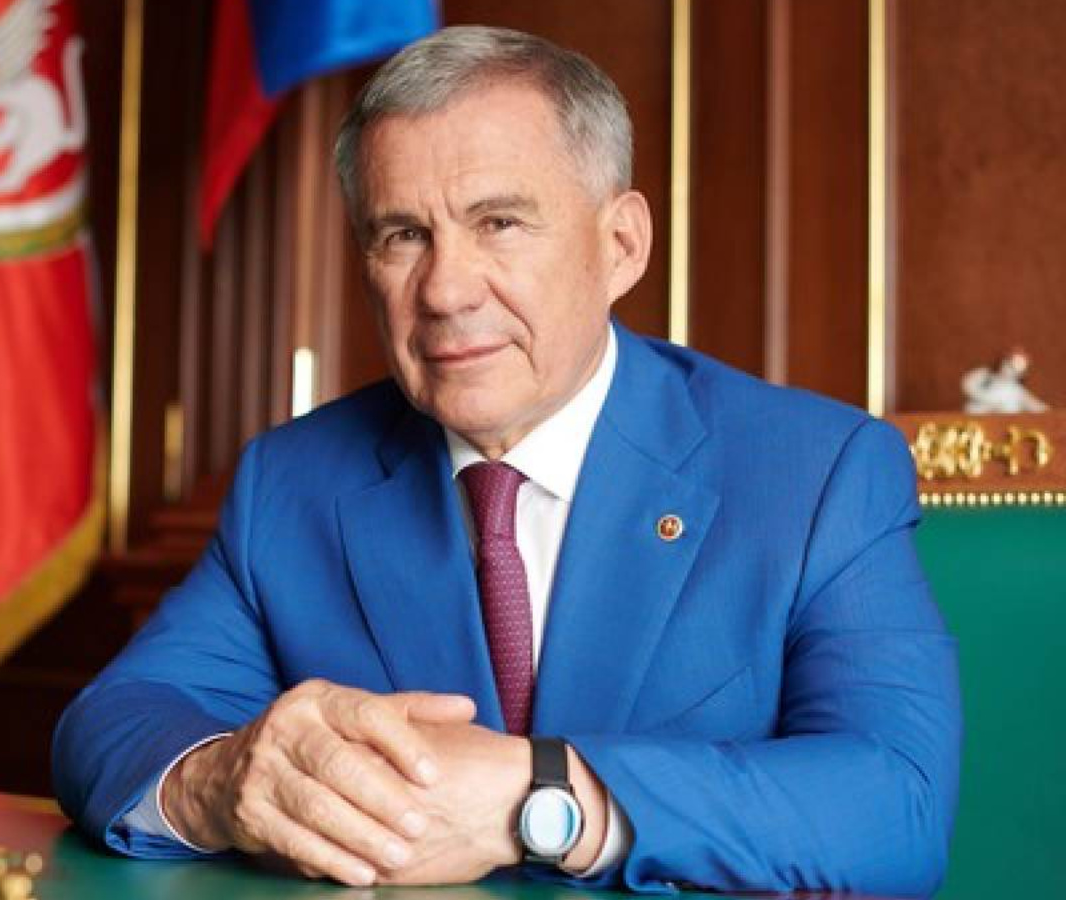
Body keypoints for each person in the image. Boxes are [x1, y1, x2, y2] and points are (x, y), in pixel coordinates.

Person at [53, 25, 960, 896]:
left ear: (621, 246)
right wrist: (221, 781)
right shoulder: (292, 484)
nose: (446, 290)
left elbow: (895, 804)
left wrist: (542, 799)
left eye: (499, 223)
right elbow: (112, 725)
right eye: (403, 235)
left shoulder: (815, 473)